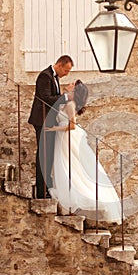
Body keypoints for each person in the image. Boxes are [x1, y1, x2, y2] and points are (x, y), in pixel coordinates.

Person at [44, 80, 122, 224]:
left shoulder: (71, 105)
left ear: (75, 92)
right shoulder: (66, 102)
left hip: (67, 137)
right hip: (63, 138)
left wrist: (54, 129)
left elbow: (72, 126)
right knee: (67, 167)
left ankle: (74, 201)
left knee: (70, 167)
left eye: (72, 85)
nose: (70, 84)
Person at [28, 55, 74, 199]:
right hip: (42, 121)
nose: (67, 74)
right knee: (43, 155)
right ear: (59, 65)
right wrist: (66, 97)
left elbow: (52, 99)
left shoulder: (54, 78)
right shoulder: (45, 76)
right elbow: (46, 98)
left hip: (49, 121)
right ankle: (42, 191)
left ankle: (46, 187)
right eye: (66, 70)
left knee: (48, 155)